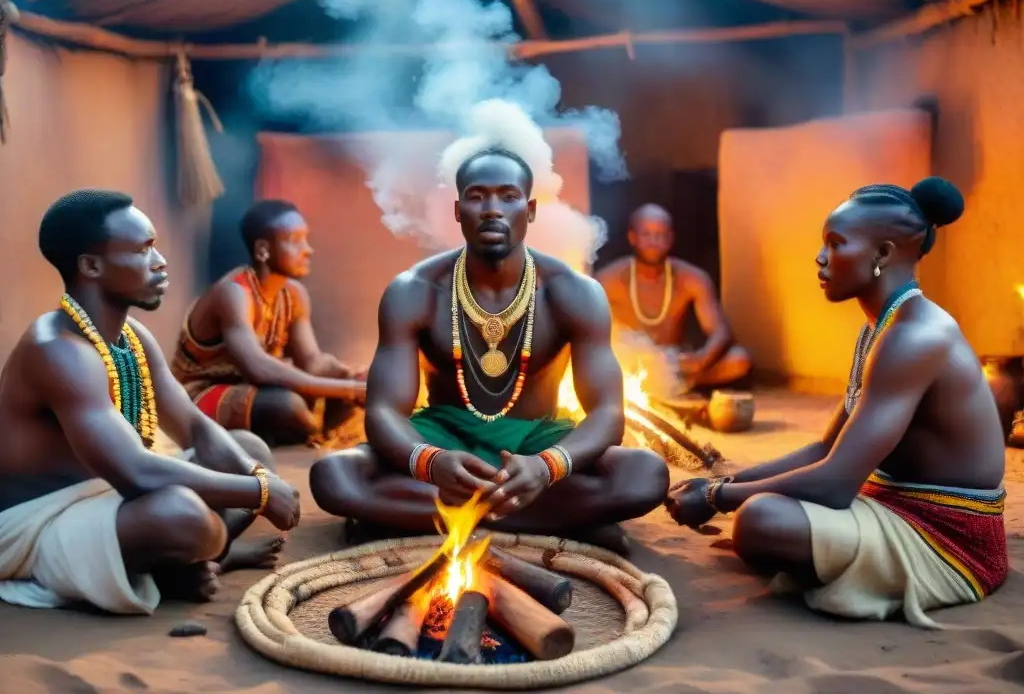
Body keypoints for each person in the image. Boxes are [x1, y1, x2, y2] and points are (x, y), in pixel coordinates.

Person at [666, 177, 1008, 628]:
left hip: (950, 538)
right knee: (760, 510)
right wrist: (726, 481)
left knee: (760, 520)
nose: (821, 258)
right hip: (893, 501)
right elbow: (826, 449)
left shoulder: (914, 336)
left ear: (883, 255)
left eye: (836, 244)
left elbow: (835, 483)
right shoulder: (881, 327)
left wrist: (718, 496)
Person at [309, 147, 669, 554]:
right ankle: (559, 521)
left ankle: (420, 519)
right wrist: (429, 460)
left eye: (508, 196)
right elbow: (383, 412)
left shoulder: (573, 292)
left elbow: (607, 413)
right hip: (443, 437)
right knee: (333, 476)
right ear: (458, 210)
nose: (493, 209)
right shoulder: (414, 291)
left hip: (536, 439)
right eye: (478, 197)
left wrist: (545, 466)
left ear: (530, 210)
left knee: (645, 475)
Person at [0, 190, 302, 615]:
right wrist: (262, 491)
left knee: (249, 451)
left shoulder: (132, 338)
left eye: (155, 246)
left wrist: (256, 477)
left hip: (111, 498)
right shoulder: (58, 350)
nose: (160, 261)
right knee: (183, 516)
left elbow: (195, 428)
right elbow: (137, 471)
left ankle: (190, 562)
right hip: (39, 522)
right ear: (91, 266)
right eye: (143, 250)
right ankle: (191, 560)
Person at [171, 200, 366, 447]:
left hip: (256, 391)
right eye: (295, 241)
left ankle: (311, 433)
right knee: (287, 406)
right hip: (200, 396)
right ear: (263, 250)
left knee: (353, 385)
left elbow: (312, 361)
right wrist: (347, 389)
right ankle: (310, 433)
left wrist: (349, 375)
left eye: (306, 239)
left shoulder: (294, 293)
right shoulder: (233, 292)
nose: (308, 250)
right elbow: (258, 367)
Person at [595, 204, 751, 391]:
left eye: (661, 235)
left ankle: (675, 386)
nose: (654, 241)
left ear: (670, 239)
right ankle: (658, 389)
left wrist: (701, 359)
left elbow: (719, 331)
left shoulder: (691, 278)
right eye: (646, 234)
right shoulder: (609, 279)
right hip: (628, 365)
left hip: (674, 365)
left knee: (740, 359)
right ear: (632, 238)